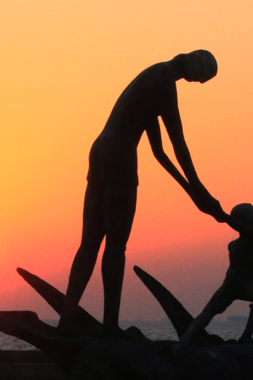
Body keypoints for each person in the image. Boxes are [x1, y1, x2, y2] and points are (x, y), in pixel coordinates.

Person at [64, 50, 225, 333]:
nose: (198, 83)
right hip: (120, 155)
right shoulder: (164, 80)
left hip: (101, 148)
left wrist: (193, 194)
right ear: (195, 63)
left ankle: (67, 319)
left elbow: (159, 153)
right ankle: (110, 326)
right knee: (115, 245)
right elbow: (178, 145)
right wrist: (201, 190)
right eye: (201, 78)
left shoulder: (154, 75)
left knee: (90, 244)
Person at [182, 204, 253, 344]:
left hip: (249, 285)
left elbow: (246, 230)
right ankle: (185, 340)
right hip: (229, 286)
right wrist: (224, 217)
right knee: (207, 313)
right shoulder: (232, 245)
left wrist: (224, 217)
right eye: (252, 211)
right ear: (243, 218)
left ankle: (246, 336)